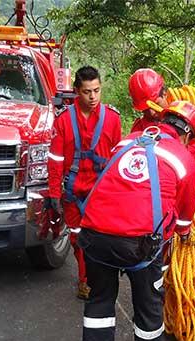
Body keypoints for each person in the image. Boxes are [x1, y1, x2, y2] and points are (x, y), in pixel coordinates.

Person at [75, 101, 195, 341]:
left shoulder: (127, 142)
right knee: (148, 300)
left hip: (94, 233)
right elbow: (184, 215)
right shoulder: (184, 159)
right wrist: (184, 235)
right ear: (186, 135)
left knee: (100, 297)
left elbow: (116, 183)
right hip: (140, 243)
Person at [47, 66, 122, 300]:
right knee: (78, 240)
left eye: (97, 91)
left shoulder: (112, 119)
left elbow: (118, 158)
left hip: (102, 193)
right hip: (74, 192)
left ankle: (96, 280)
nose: (93, 97)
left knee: (101, 239)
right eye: (87, 91)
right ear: (76, 91)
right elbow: (55, 160)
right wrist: (54, 195)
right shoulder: (63, 121)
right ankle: (85, 280)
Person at [128, 68, 195, 163]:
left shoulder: (191, 107)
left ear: (164, 94)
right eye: (145, 110)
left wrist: (190, 152)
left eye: (155, 104)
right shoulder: (141, 128)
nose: (152, 112)